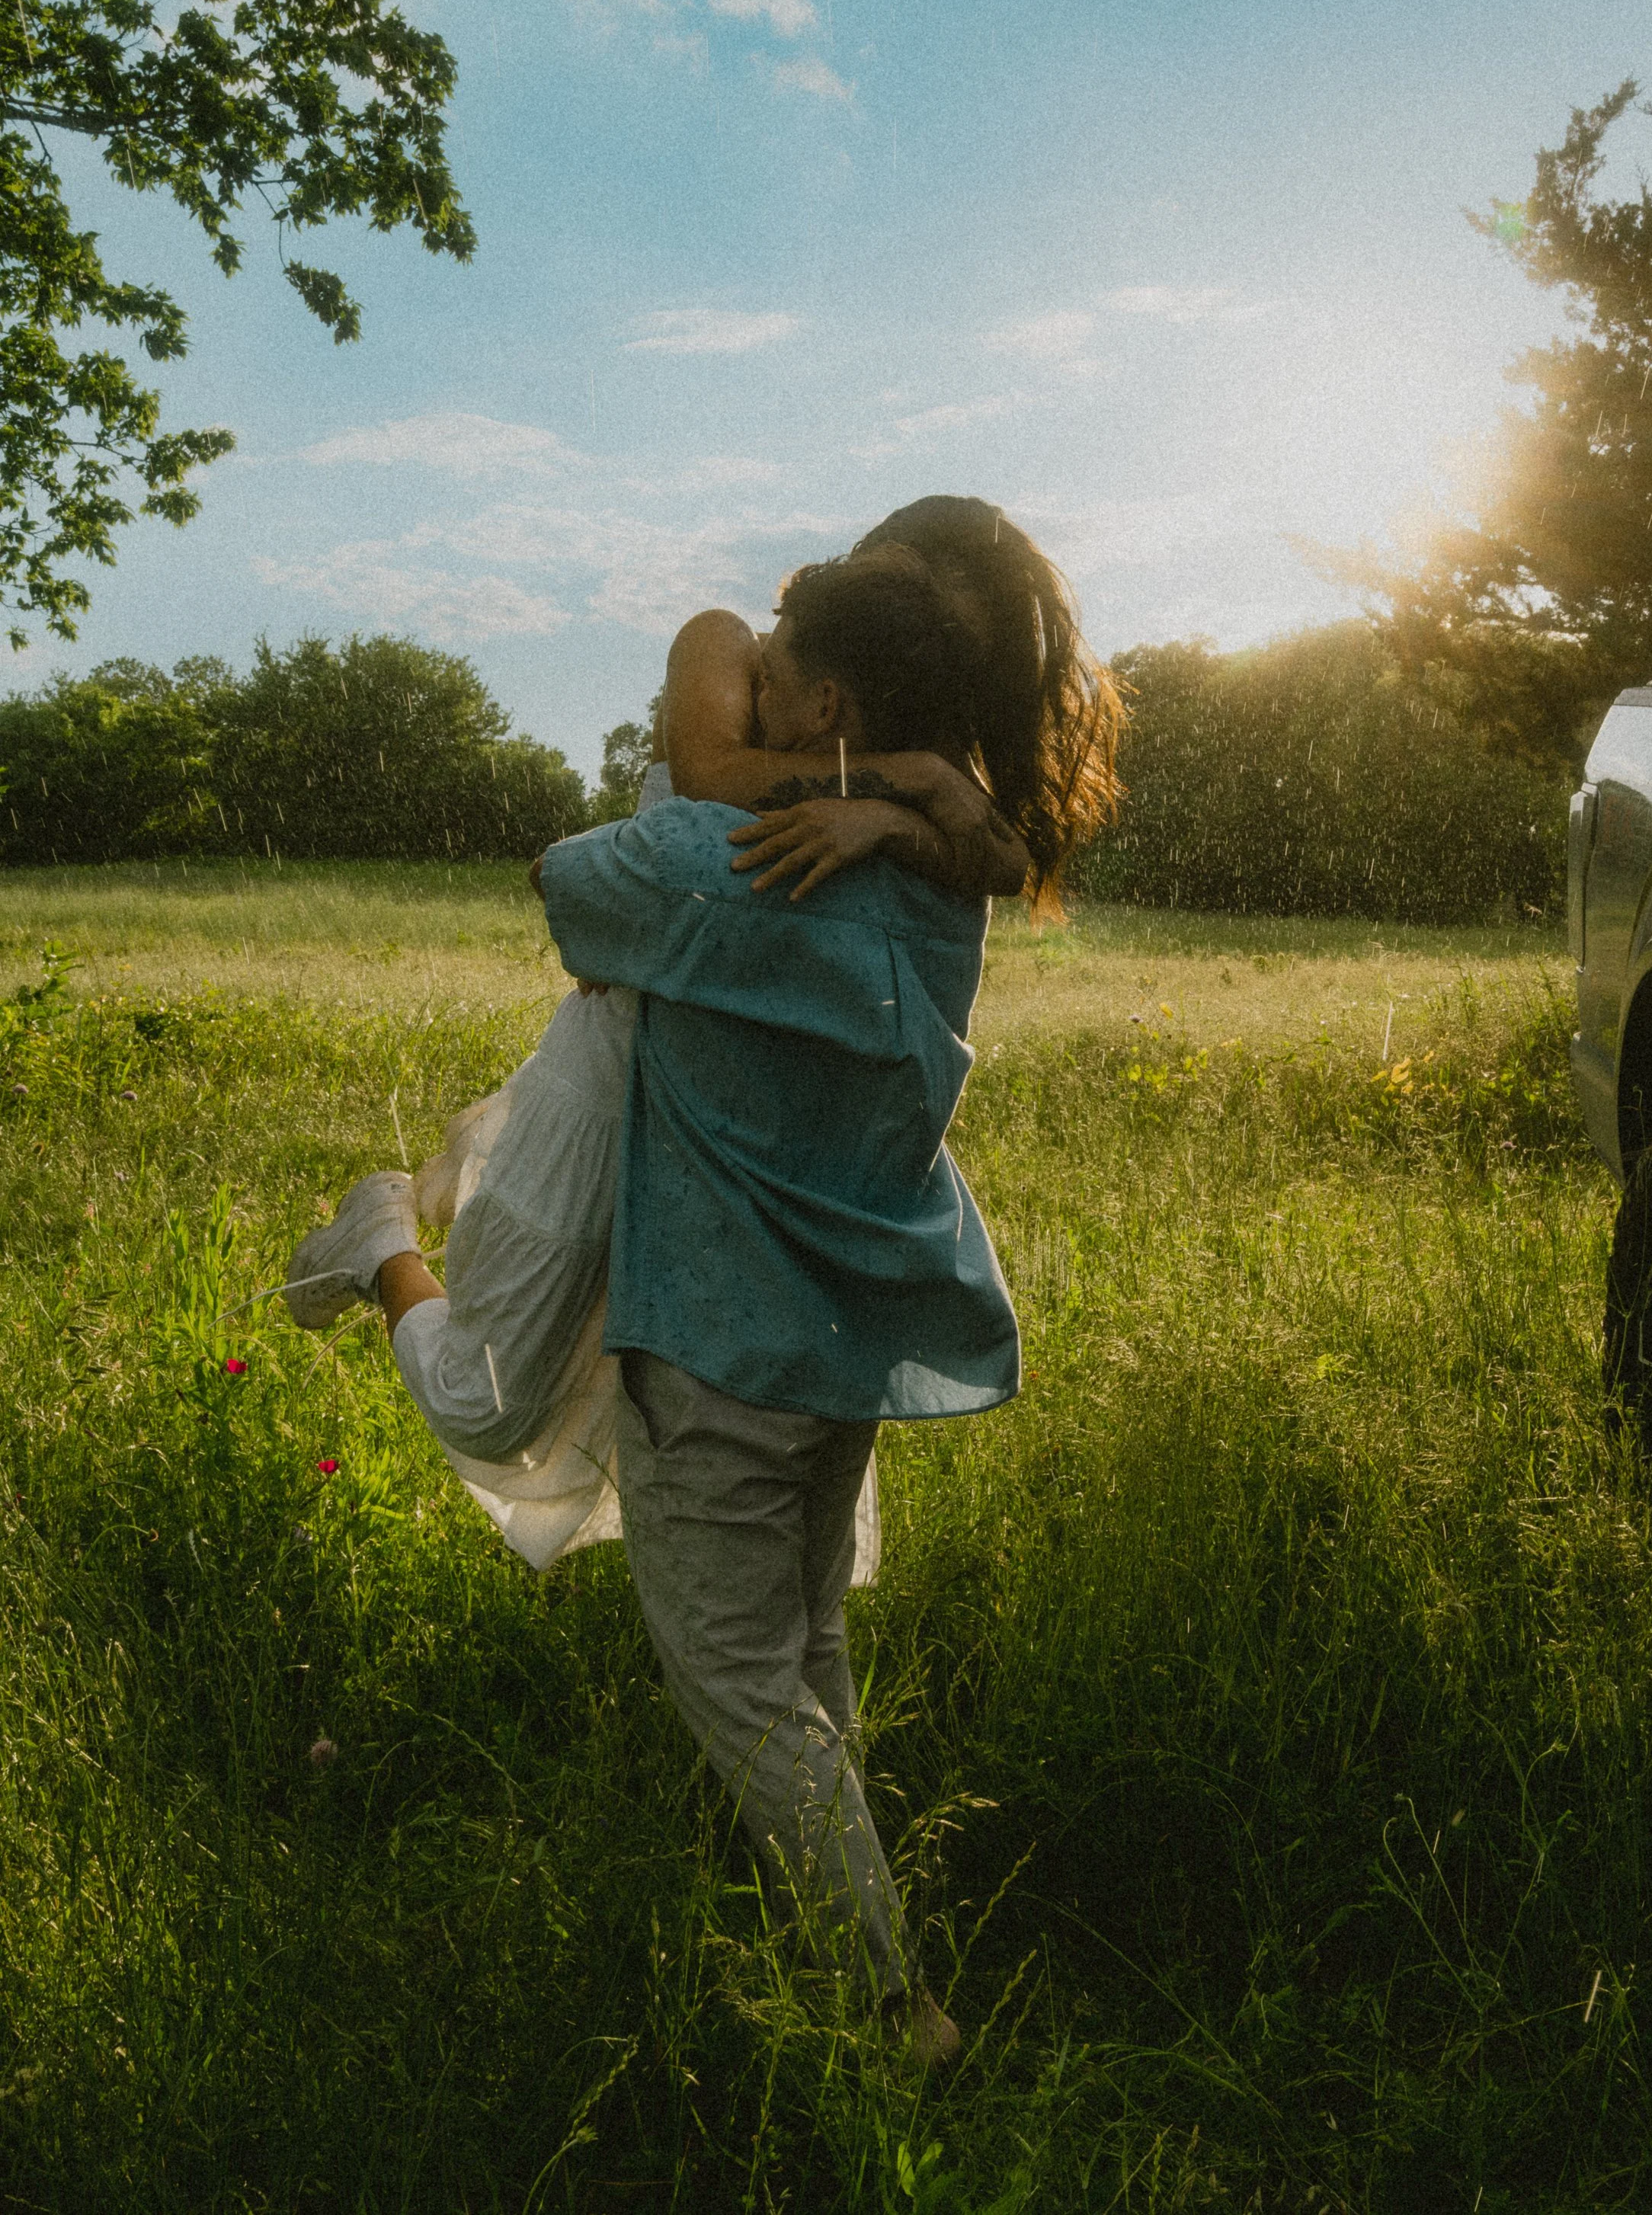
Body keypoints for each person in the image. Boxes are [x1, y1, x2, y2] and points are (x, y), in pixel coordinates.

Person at [281, 505, 1122, 2059]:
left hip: (721, 1341)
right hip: (841, 1342)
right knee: (803, 1649)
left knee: (738, 1677)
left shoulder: (729, 857)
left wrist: (766, 787)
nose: (743, 702)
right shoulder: (945, 879)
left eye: (773, 683)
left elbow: (567, 882)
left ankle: (890, 2010)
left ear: (826, 714)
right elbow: (982, 840)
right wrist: (899, 795)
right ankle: (830, 1925)